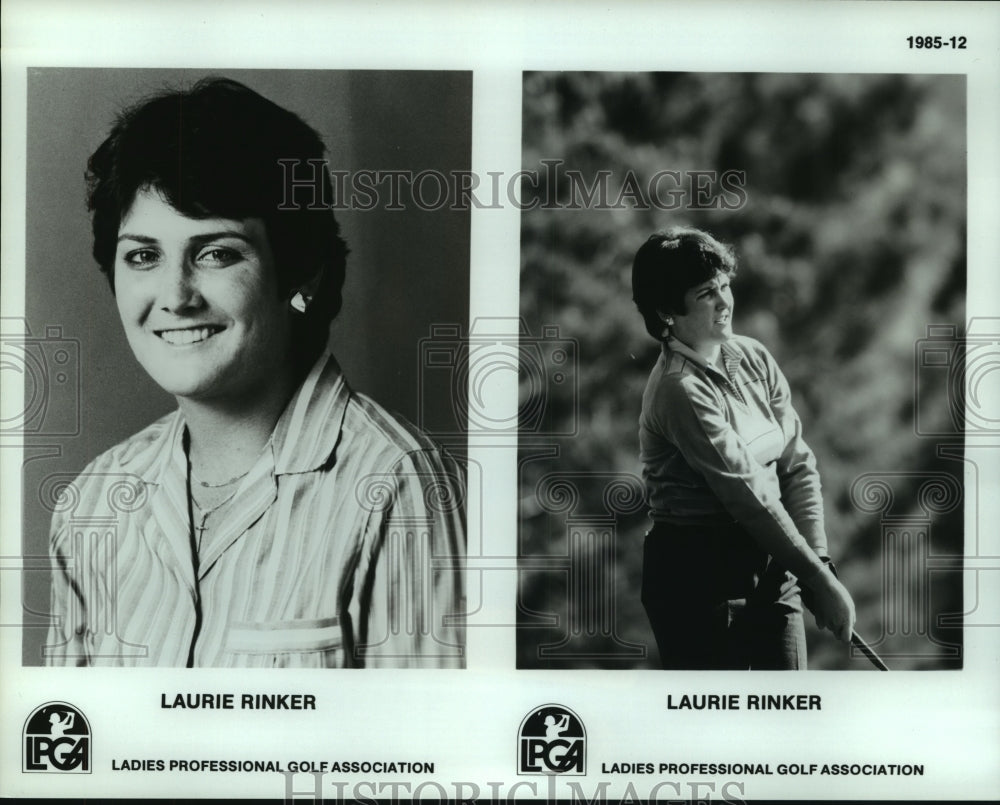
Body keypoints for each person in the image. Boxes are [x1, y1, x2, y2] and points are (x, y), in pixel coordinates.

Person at [45, 78, 466, 668]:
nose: (175, 296)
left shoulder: (399, 487)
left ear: (302, 271)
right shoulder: (91, 503)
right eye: (143, 255)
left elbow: (427, 757)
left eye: (216, 253)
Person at [631, 227, 854, 670]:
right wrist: (817, 578)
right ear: (665, 311)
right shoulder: (679, 389)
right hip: (695, 581)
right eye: (704, 294)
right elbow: (749, 495)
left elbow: (796, 465)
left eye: (724, 287)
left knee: (784, 717)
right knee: (720, 729)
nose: (724, 302)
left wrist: (819, 563)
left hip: (772, 561)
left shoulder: (752, 356)